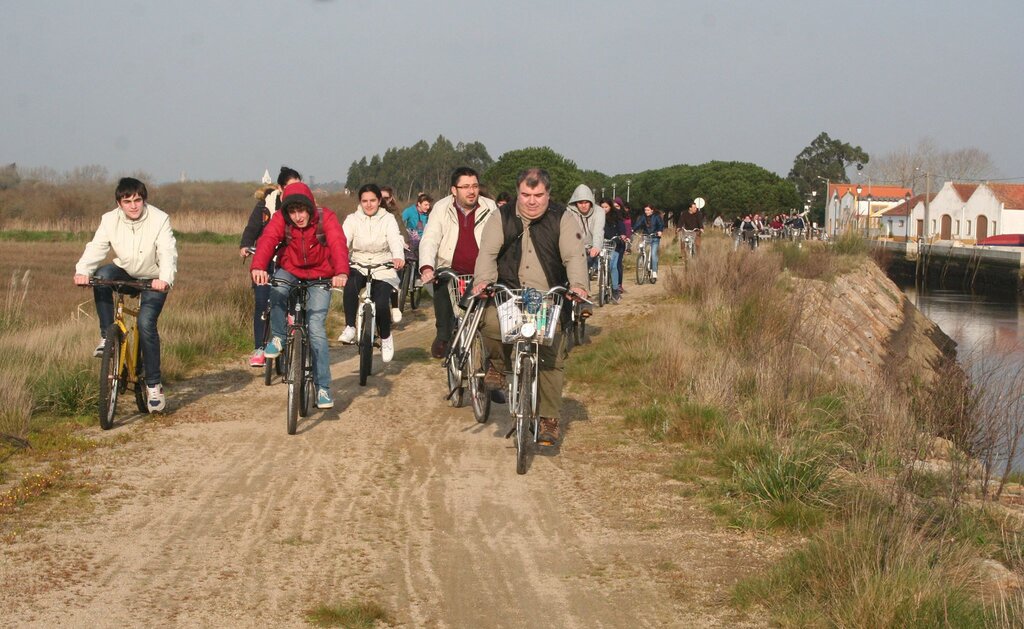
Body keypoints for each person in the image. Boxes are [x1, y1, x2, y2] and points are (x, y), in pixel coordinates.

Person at [474, 168, 589, 445]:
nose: (532, 201)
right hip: (508, 294)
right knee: (491, 324)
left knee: (551, 353)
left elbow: (574, 256)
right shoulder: (500, 217)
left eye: (538, 195)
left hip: (547, 297)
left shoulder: (563, 218)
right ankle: (497, 366)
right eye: (526, 195)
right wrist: (483, 282)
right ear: (518, 193)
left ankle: (548, 419)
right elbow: (487, 253)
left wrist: (578, 285)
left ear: (548, 194)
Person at [73, 177, 178, 413]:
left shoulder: (159, 219)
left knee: (145, 323)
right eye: (127, 201)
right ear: (119, 203)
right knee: (101, 276)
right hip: (125, 273)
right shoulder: (109, 220)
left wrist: (164, 278)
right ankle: (107, 338)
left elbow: (168, 251)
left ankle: (153, 385)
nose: (133, 206)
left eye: (137, 200)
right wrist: (82, 272)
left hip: (153, 279)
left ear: (144, 200)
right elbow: (97, 247)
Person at [251, 182, 349, 409]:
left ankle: (323, 388)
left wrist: (341, 272)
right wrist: (258, 267)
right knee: (277, 289)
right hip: (291, 269)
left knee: (315, 328)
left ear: (310, 207)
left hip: (320, 274)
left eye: (302, 210)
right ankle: (278, 336)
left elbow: (337, 243)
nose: (298, 217)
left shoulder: (326, 218)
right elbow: (267, 240)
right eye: (293, 211)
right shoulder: (281, 219)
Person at [417, 166, 498, 359]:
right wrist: (427, 267)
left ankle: (492, 358)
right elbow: (430, 238)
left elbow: (500, 239)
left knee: (491, 320)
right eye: (465, 187)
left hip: (482, 272)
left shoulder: (490, 207)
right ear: (454, 190)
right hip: (451, 269)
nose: (471, 191)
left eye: (475, 186)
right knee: (442, 282)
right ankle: (443, 336)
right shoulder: (441, 208)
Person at [239, 166, 302, 367]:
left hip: (288, 260)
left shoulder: (302, 206)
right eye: (290, 187)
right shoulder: (265, 205)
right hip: (265, 258)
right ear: (280, 188)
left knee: (290, 296)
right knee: (261, 302)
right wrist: (245, 245)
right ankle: (259, 347)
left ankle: (293, 327)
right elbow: (252, 228)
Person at [338, 184, 405, 363]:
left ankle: (386, 337)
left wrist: (398, 256)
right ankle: (350, 327)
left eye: (373, 201)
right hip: (358, 262)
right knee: (350, 286)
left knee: (382, 303)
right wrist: (339, 261)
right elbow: (343, 242)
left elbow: (395, 239)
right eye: (365, 201)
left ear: (379, 201)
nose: (369, 205)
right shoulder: (352, 219)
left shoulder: (388, 218)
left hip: (383, 264)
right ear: (360, 202)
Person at [601, 198, 626, 301]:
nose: (604, 209)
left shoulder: (616, 216)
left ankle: (615, 289)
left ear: (610, 207)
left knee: (613, 266)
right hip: (602, 244)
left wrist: (622, 235)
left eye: (606, 207)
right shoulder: (597, 217)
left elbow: (622, 227)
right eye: (602, 207)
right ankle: (602, 286)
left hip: (614, 244)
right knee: (601, 265)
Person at [633, 203, 665, 280]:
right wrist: (633, 229)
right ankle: (642, 260)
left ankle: (654, 271)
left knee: (653, 254)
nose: (646, 211)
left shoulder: (656, 217)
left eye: (648, 210)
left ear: (652, 210)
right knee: (641, 247)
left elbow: (660, 225)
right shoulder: (643, 217)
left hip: (655, 238)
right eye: (645, 210)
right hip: (646, 237)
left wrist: (660, 231)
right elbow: (638, 224)